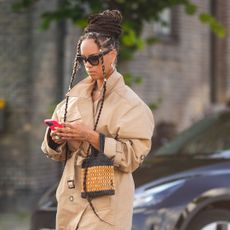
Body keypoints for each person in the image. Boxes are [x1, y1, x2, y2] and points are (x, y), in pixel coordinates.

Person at [41, 9, 154, 230]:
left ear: (112, 54)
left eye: (94, 58)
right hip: (70, 202)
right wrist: (56, 138)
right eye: (83, 60)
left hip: (106, 205)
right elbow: (52, 151)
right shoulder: (73, 99)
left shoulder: (131, 105)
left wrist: (91, 136)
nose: (88, 65)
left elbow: (133, 158)